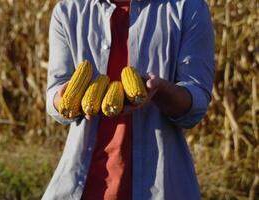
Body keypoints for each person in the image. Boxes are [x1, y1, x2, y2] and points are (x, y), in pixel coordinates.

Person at [43, 0, 215, 199]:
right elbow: (54, 95)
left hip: (159, 185)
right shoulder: (68, 11)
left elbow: (196, 102)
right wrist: (66, 100)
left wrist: (160, 90)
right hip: (83, 185)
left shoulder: (188, 8)